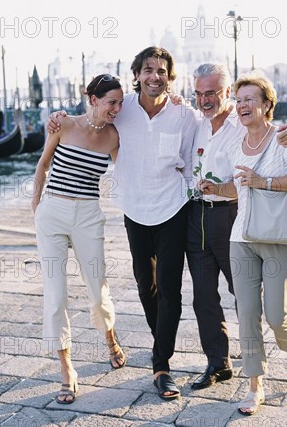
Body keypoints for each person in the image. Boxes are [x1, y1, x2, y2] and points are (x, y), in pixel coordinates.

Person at [48, 47, 197, 401]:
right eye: (148, 69)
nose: (154, 76)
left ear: (169, 77)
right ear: (138, 74)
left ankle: (161, 365)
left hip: (174, 208)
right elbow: (92, 118)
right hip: (134, 210)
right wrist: (58, 117)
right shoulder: (122, 108)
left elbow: (193, 158)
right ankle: (160, 342)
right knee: (147, 287)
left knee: (171, 290)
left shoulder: (184, 114)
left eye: (161, 70)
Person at [187, 64, 287, 390]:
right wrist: (217, 189)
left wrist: (264, 180)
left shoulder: (284, 137)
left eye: (249, 99)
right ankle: (255, 387)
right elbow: (239, 188)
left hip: (278, 238)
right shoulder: (235, 142)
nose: (242, 105)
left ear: (267, 104)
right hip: (241, 236)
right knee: (249, 314)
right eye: (239, 100)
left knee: (276, 315)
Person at [32, 74, 126, 405]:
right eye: (111, 102)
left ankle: (110, 337)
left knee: (97, 290)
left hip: (88, 213)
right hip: (53, 211)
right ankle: (67, 370)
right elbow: (43, 166)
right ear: (93, 99)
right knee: (55, 295)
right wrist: (37, 208)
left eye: (120, 102)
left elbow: (128, 175)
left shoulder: (114, 136)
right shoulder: (63, 125)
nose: (117, 108)